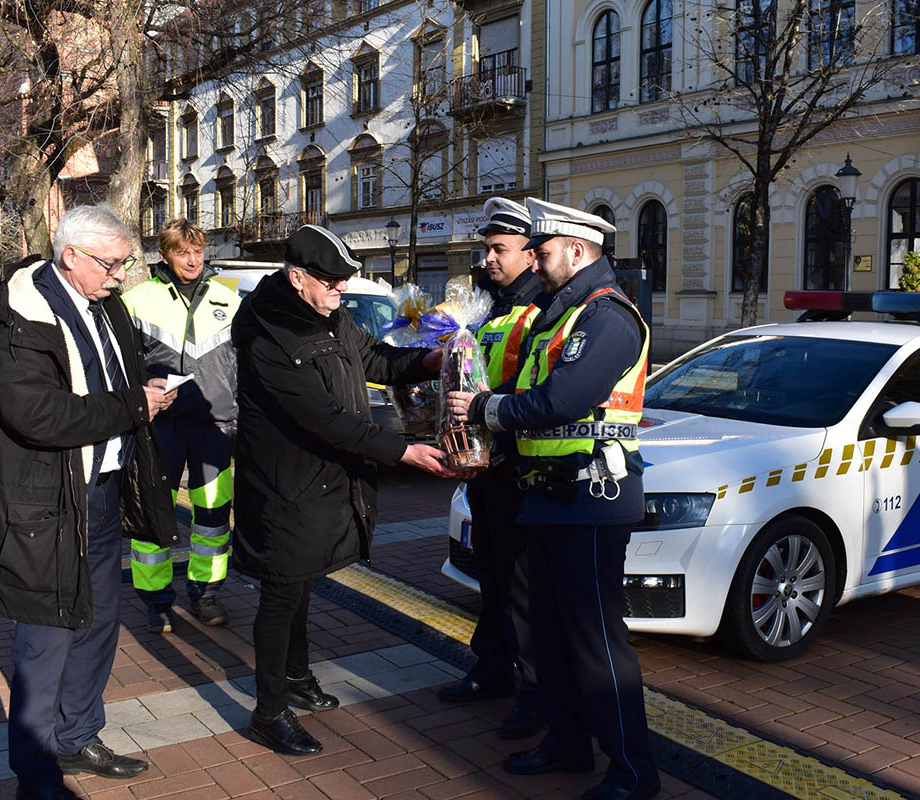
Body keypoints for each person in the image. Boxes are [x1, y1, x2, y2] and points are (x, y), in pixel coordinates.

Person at [446, 198, 660, 800]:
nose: (535, 263)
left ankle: (633, 771)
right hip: (548, 496)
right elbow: (529, 390)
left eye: (541, 253)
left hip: (592, 497)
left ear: (577, 250)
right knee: (551, 634)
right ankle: (568, 743)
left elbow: (562, 399)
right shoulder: (562, 314)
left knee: (595, 642)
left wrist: (486, 407)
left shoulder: (606, 316)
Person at [0, 204, 179, 800]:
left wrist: (152, 381)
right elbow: (37, 414)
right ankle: (36, 774)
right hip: (46, 502)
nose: (121, 274)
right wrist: (135, 406)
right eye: (112, 263)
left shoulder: (104, 302)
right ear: (71, 256)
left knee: (98, 623)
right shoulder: (23, 315)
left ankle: (77, 737)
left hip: (102, 491)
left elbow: (124, 365)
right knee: (46, 640)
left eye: (125, 262)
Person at [231, 224, 456, 756]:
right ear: (297, 278)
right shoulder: (268, 332)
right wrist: (402, 451)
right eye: (332, 281)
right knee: (282, 591)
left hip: (320, 481)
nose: (342, 289)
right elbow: (323, 418)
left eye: (345, 279)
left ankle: (296, 676)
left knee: (301, 582)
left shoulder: (328, 312)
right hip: (285, 485)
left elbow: (373, 358)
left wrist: (427, 361)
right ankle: (269, 711)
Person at [436, 198, 546, 741]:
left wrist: (480, 405)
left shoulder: (541, 310)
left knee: (523, 587)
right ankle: (492, 667)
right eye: (487, 248)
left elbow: (534, 388)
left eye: (500, 249)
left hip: (518, 468)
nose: (489, 258)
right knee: (493, 577)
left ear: (531, 253)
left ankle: (535, 694)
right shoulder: (489, 308)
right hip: (484, 466)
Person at [123, 218, 241, 633]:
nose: (192, 260)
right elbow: (121, 365)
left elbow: (242, 362)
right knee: (153, 514)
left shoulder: (228, 297)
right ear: (164, 255)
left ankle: (206, 593)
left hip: (215, 426)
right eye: (182, 252)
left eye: (198, 251)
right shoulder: (137, 299)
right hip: (160, 426)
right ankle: (156, 601)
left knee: (213, 516)